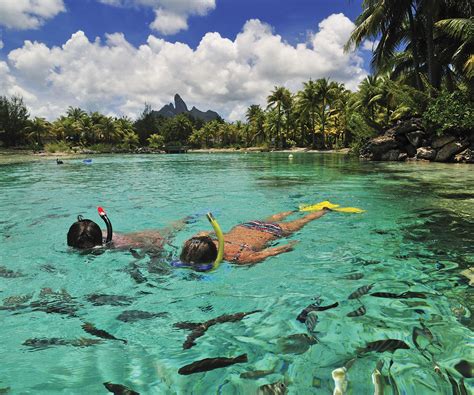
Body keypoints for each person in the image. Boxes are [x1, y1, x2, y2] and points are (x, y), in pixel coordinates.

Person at [179, 208, 330, 266]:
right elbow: (202, 234)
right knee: (274, 216)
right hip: (246, 226)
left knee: (304, 221)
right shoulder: (206, 243)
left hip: (273, 231)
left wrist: (289, 245)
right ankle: (294, 209)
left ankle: (325, 210)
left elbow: (271, 252)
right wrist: (208, 233)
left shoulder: (239, 257)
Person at [67, 207, 186, 253]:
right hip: (135, 235)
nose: (82, 249)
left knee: (174, 229)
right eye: (79, 247)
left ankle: (186, 220)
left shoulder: (118, 245)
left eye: (86, 247)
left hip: (151, 239)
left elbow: (151, 246)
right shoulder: (83, 235)